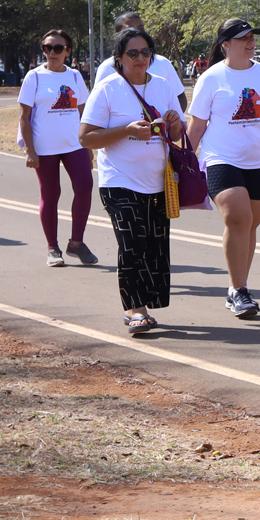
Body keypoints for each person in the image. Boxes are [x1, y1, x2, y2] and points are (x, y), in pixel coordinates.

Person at [81, 25, 184, 335]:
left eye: (146, 52)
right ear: (119, 58)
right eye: (133, 53)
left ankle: (147, 303)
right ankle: (134, 309)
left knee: (154, 246)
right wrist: (127, 130)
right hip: (119, 180)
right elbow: (86, 137)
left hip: (159, 181)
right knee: (132, 243)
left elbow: (177, 134)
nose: (140, 58)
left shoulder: (163, 86)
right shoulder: (108, 88)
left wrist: (175, 123)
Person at [187, 18, 260, 318]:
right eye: (244, 38)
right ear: (226, 45)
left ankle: (239, 285)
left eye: (252, 37)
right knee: (238, 218)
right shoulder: (211, 77)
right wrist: (184, 163)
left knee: (249, 226)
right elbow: (197, 126)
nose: (251, 42)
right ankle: (238, 290)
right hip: (221, 158)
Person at [19, 28, 98, 267]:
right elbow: (24, 117)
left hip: (74, 144)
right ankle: (52, 248)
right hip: (44, 147)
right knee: (51, 194)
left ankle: (76, 243)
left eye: (57, 48)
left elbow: (85, 113)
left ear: (67, 51)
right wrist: (30, 150)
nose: (51, 52)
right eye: (47, 47)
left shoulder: (74, 77)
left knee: (85, 187)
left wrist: (89, 145)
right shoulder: (34, 77)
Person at [92, 11, 189, 112]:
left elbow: (180, 97)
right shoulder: (107, 67)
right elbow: (97, 106)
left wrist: (171, 119)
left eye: (141, 28)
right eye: (130, 29)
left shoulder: (163, 63)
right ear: (117, 36)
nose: (136, 32)